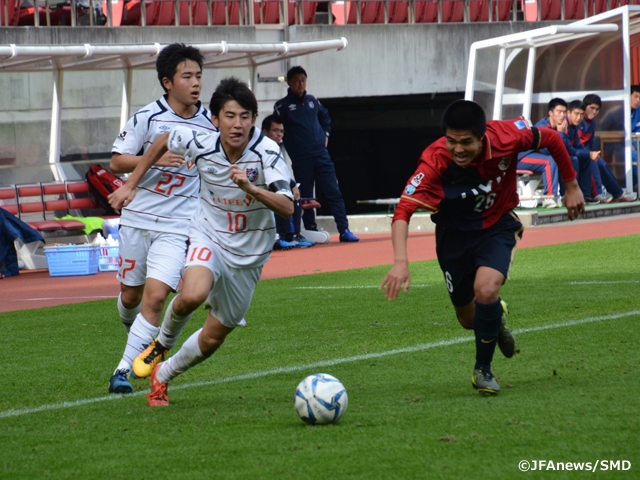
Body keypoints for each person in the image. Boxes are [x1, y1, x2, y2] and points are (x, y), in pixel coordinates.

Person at [108, 77, 295, 407]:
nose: (237, 124)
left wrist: (252, 190)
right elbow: (164, 139)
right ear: (215, 118)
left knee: (212, 338)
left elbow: (287, 206)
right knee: (192, 294)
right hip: (207, 235)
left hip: (249, 254)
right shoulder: (202, 141)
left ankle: (162, 375)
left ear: (254, 119)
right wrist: (131, 184)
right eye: (230, 115)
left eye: (245, 116)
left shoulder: (267, 152)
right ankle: (161, 344)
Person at [380, 100, 585, 396]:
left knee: (486, 289)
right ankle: (495, 320)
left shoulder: (507, 136)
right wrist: (400, 261)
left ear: (482, 137)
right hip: (453, 237)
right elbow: (403, 211)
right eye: (452, 140)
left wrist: (572, 185)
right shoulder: (435, 160)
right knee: (467, 319)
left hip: (497, 226)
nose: (458, 149)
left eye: (466, 142)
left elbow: (551, 138)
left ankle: (483, 370)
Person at [107, 43, 217, 394]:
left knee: (155, 299)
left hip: (177, 225)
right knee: (130, 297)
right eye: (187, 76)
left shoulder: (210, 123)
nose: (196, 83)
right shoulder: (147, 117)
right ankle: (135, 333)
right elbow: (116, 162)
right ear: (168, 82)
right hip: (138, 219)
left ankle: (122, 371)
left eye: (199, 76)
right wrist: (154, 160)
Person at [274, 66, 359, 243]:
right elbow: (276, 128)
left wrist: (326, 135)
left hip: (322, 155)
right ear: (289, 82)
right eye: (297, 80)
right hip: (301, 158)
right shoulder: (282, 106)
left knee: (334, 192)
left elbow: (326, 118)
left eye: (303, 80)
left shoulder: (313, 101)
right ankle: (311, 230)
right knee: (304, 197)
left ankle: (344, 230)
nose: (301, 83)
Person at [261, 114, 315, 249]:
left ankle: (294, 235)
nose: (279, 134)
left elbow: (282, 175)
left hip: (274, 186)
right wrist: (291, 185)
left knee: (295, 191)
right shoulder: (261, 148)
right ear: (265, 132)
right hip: (262, 189)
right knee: (284, 194)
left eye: (281, 131)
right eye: (275, 130)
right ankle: (284, 236)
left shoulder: (276, 148)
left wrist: (293, 185)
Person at [577, 94, 636, 203]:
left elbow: (589, 144)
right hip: (577, 154)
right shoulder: (577, 120)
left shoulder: (592, 123)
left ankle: (618, 193)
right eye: (592, 108)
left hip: (585, 154)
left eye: (597, 109)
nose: (594, 112)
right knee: (593, 161)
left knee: (602, 163)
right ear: (584, 107)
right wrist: (589, 154)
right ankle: (597, 194)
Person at [517, 99, 564, 208]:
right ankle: (549, 198)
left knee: (567, 159)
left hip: (534, 157)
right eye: (559, 112)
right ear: (550, 113)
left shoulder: (560, 126)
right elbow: (546, 149)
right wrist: (560, 134)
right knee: (549, 161)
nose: (562, 115)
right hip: (521, 157)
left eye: (564, 112)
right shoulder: (542, 127)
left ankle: (564, 195)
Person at [562, 100, 605, 204]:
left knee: (587, 159)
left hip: (569, 155)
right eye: (576, 114)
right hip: (558, 157)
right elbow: (569, 150)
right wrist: (589, 154)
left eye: (581, 115)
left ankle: (586, 195)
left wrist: (588, 154)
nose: (579, 118)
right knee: (575, 159)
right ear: (568, 113)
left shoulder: (575, 126)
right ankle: (571, 194)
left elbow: (577, 145)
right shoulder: (564, 125)